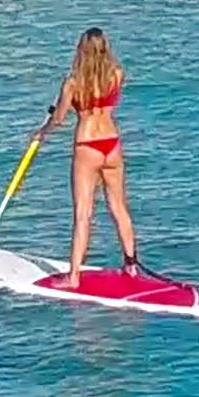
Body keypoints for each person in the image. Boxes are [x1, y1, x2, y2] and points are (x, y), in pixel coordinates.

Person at [38, 27, 138, 273]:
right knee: (119, 208)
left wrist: (42, 132)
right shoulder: (117, 74)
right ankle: (131, 266)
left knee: (83, 214)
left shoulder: (72, 83)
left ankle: (74, 276)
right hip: (111, 143)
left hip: (87, 145)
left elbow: (59, 118)